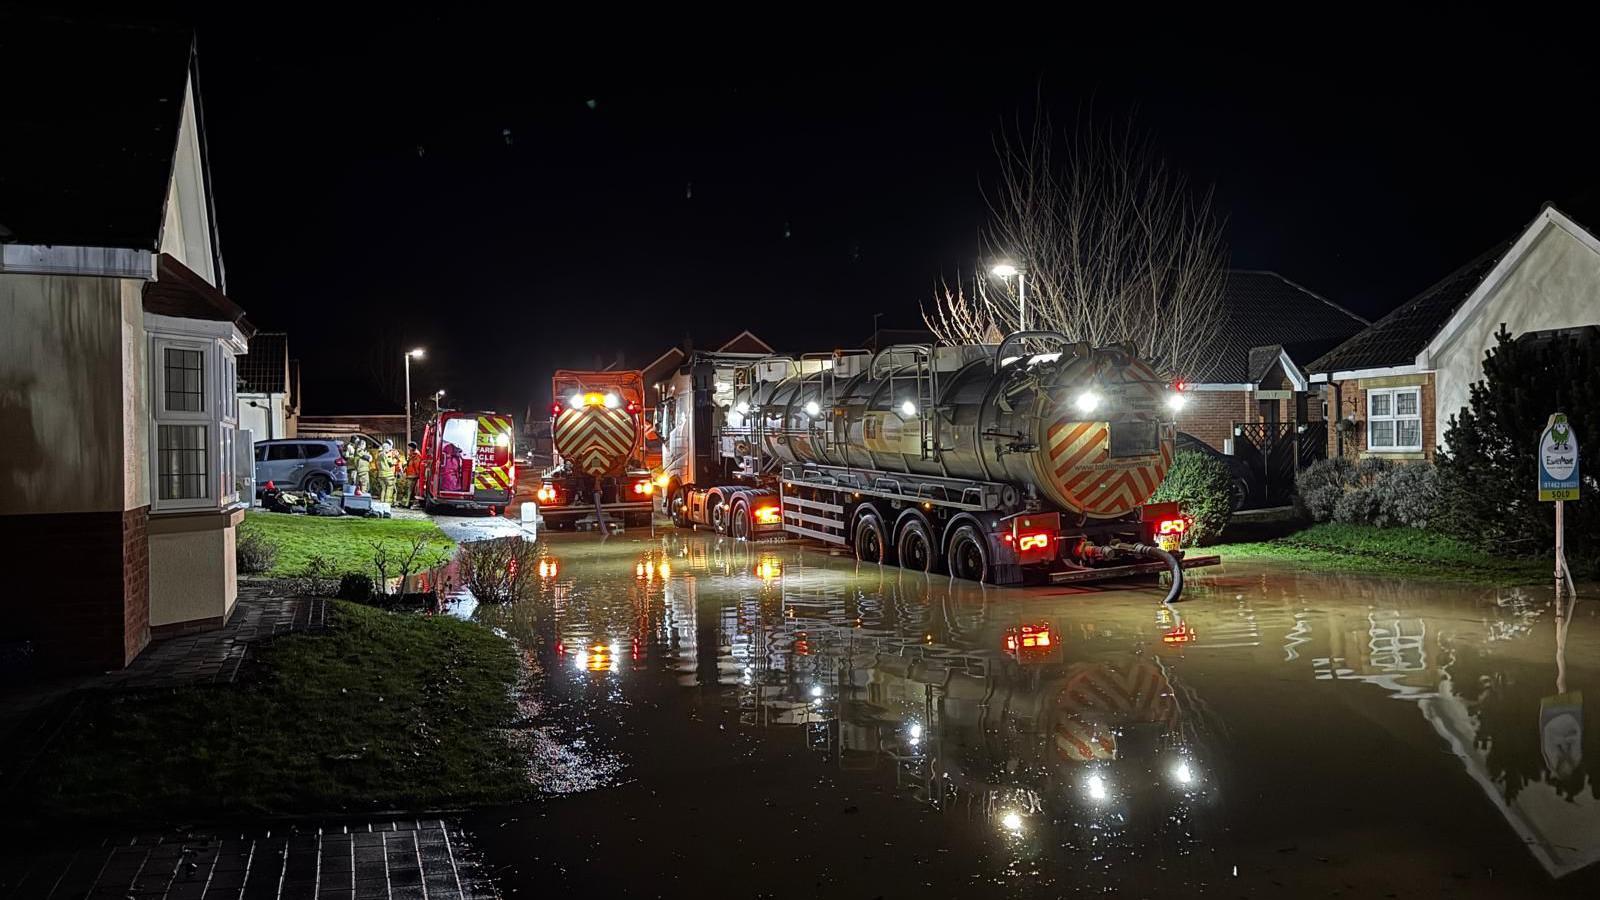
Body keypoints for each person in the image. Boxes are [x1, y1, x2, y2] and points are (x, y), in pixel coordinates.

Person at [401, 441, 423, 508]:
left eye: (409, 447)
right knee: (409, 489)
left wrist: (417, 474)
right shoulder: (412, 454)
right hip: (410, 474)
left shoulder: (416, 455)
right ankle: (407, 503)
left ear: (412, 447)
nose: (408, 448)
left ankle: (406, 503)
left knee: (409, 489)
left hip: (413, 475)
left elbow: (416, 466)